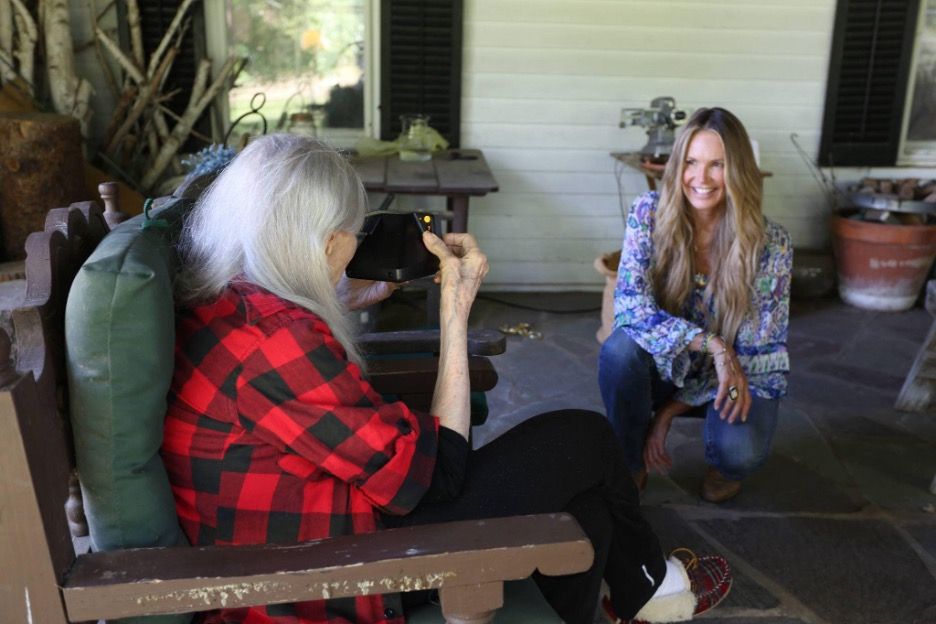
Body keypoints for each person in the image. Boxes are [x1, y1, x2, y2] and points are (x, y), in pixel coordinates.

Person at [160, 133, 732, 624]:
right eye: (351, 236)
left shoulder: (229, 303)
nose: (356, 247)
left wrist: (335, 293)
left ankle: (636, 595)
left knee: (586, 501)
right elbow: (437, 476)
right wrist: (454, 313)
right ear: (326, 243)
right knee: (583, 440)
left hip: (323, 523)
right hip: (333, 577)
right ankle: (651, 590)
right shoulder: (278, 341)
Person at [598, 107, 792, 504]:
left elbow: (760, 352)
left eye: (717, 165)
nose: (700, 179)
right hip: (671, 363)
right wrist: (712, 344)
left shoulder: (771, 243)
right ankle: (630, 462)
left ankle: (724, 464)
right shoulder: (648, 213)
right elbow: (632, 308)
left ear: (737, 171)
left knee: (740, 451)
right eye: (691, 162)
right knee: (620, 350)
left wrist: (666, 414)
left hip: (735, 372)